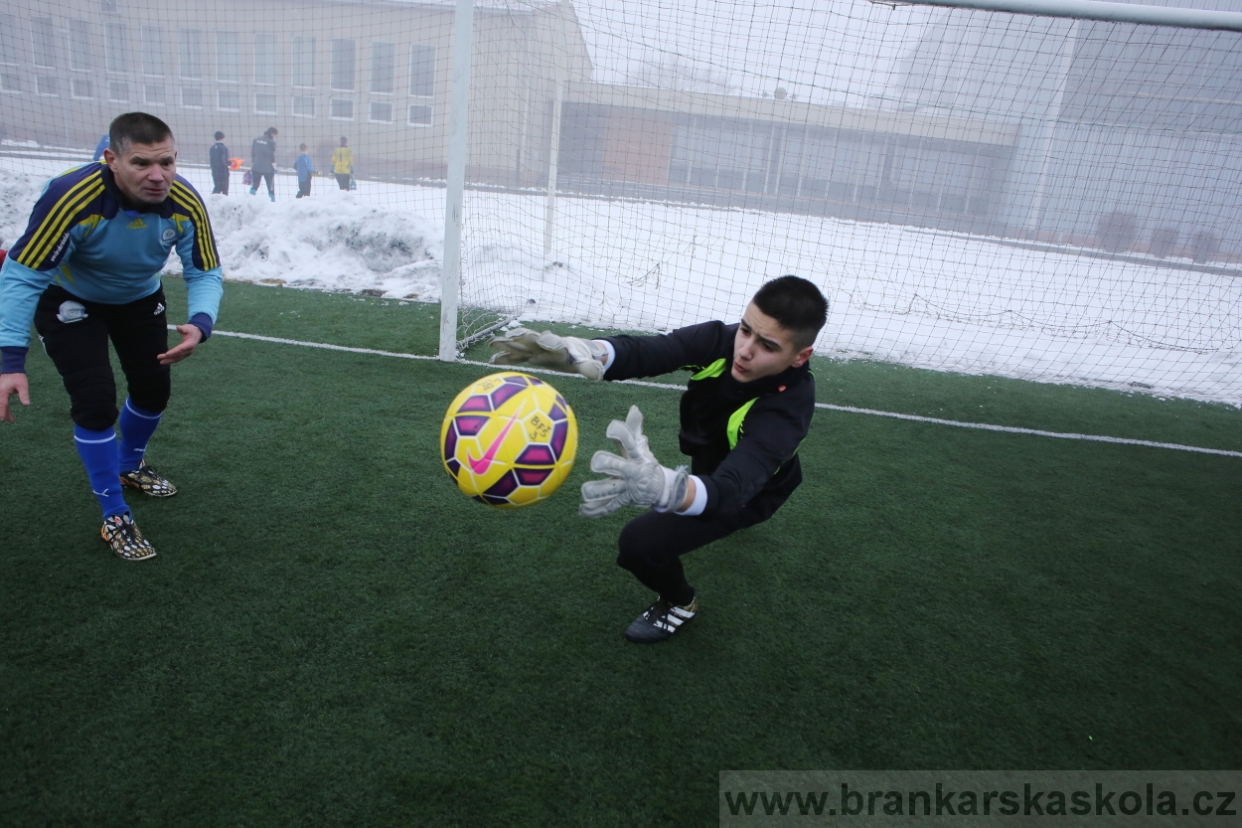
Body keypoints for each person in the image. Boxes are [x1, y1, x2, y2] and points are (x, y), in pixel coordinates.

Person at [490, 275, 828, 643]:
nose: (745, 349)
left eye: (767, 345)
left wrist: (666, 487)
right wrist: (590, 351)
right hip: (709, 469)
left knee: (640, 545)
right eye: (746, 330)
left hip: (752, 492)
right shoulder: (721, 340)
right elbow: (654, 351)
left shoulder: (787, 411)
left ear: (800, 356)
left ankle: (680, 602)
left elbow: (731, 490)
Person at [0, 111, 224, 561]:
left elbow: (205, 268)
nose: (158, 176)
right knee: (96, 399)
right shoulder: (70, 197)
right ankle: (114, 512)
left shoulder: (184, 201)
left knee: (153, 389)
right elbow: (22, 275)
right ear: (111, 160)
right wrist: (9, 360)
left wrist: (201, 323)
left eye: (167, 161)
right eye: (141, 163)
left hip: (139, 298)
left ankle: (129, 465)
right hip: (69, 299)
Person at [249, 126, 278, 201]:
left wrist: (253, 162)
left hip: (256, 167)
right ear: (272, 134)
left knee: (255, 185)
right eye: (275, 135)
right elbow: (271, 155)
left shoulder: (256, 140)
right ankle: (272, 201)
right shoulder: (271, 142)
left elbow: (253, 153)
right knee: (270, 186)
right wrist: (274, 164)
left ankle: (249, 199)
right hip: (267, 168)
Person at [209, 130, 230, 195]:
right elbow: (224, 161)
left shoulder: (212, 148)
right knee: (225, 189)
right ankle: (225, 201)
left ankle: (211, 200)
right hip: (223, 172)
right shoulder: (223, 148)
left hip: (214, 171)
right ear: (222, 138)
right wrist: (231, 163)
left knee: (217, 187)